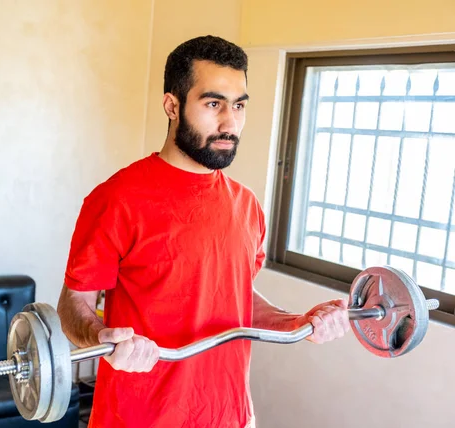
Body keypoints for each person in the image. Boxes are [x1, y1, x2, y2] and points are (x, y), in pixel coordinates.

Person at [57, 35, 350, 428]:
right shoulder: (117, 199)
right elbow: (74, 303)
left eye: (239, 105)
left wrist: (296, 323)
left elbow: (234, 297)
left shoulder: (247, 207)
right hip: (138, 418)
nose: (230, 122)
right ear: (172, 105)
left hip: (229, 416)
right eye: (213, 104)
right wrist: (103, 337)